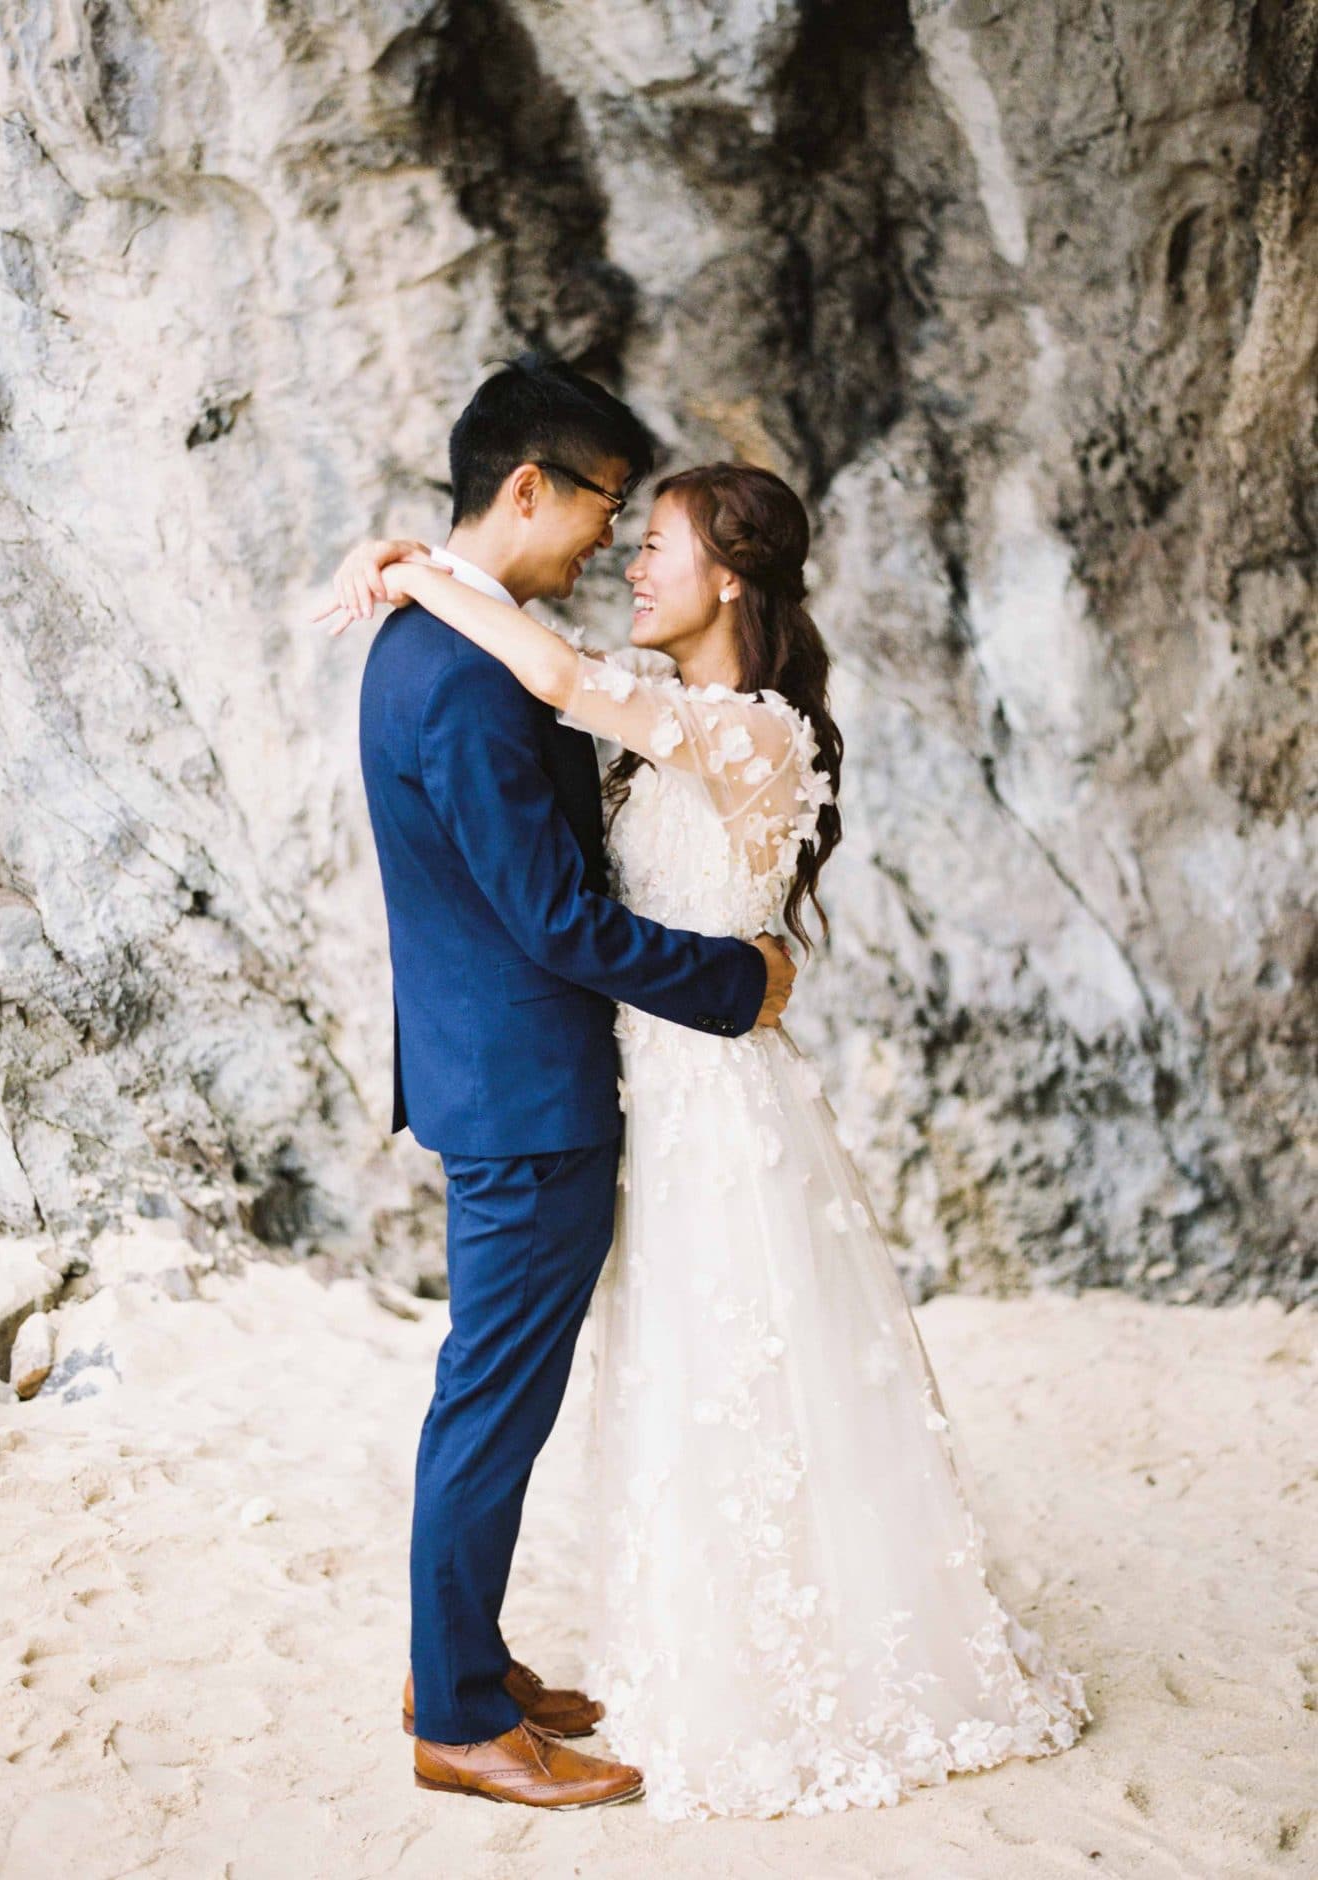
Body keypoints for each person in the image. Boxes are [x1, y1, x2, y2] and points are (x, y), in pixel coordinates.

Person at [325, 453, 1093, 1820]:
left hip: (713, 1105)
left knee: (731, 1373)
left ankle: (629, 1664)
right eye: (620, 531)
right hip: (634, 1089)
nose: (629, 560)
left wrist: (419, 570)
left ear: (730, 579)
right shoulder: (657, 703)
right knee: (628, 1380)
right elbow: (556, 720)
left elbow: (554, 676)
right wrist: (418, 561)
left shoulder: (751, 733)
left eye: (656, 543)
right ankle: (467, 1685)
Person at [320, 356, 797, 1810]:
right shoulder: (465, 676)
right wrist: (737, 986)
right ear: (530, 487)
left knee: (491, 1393)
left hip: (496, 1074)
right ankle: (461, 1719)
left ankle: (457, 1663)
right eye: (604, 502)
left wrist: (404, 557)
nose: (610, 537)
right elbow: (556, 922)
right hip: (526, 1096)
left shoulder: (437, 636)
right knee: (493, 1403)